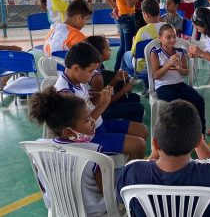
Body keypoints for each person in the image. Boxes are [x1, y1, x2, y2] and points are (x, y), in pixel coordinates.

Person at [116, 100, 210, 217]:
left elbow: (121, 201)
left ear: (156, 143)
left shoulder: (131, 172)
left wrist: (153, 156)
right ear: (197, 143)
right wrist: (200, 143)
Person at [55, 42, 147, 159]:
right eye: (90, 71)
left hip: (99, 125)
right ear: (76, 68)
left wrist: (94, 97)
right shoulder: (65, 94)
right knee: (139, 145)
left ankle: (129, 165)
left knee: (142, 130)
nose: (93, 74)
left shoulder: (76, 80)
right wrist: (102, 105)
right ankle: (128, 175)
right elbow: (79, 129)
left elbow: (88, 104)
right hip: (88, 138)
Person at [29, 87, 107, 216]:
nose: (92, 121)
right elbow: (107, 193)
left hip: (58, 210)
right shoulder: (94, 154)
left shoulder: (37, 149)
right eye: (87, 119)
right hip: (93, 212)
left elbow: (43, 186)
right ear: (69, 131)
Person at [150, 24, 206, 135]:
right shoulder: (156, 53)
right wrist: (168, 64)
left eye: (174, 36)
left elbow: (185, 72)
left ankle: (200, 133)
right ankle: (181, 134)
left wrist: (179, 67)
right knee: (180, 106)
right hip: (163, 86)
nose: (172, 40)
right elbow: (156, 75)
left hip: (179, 84)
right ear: (160, 38)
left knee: (199, 100)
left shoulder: (180, 52)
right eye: (168, 37)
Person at [85, 35, 145, 124]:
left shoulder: (95, 66)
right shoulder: (96, 77)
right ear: (99, 54)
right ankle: (126, 129)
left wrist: (116, 79)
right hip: (98, 112)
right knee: (138, 108)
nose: (110, 51)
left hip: (98, 104)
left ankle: (125, 123)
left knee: (134, 97)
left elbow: (104, 93)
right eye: (107, 49)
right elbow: (101, 103)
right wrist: (124, 90)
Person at [103, 0, 147, 71]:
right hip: (127, 18)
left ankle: (117, 70)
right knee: (128, 49)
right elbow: (131, 4)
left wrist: (116, 6)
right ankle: (126, 74)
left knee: (123, 47)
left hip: (123, 17)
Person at [122, 0, 163, 85]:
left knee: (125, 55)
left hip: (145, 66)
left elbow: (134, 54)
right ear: (159, 11)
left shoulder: (142, 31)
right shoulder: (168, 27)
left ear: (145, 14)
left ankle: (133, 80)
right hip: (163, 63)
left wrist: (134, 42)